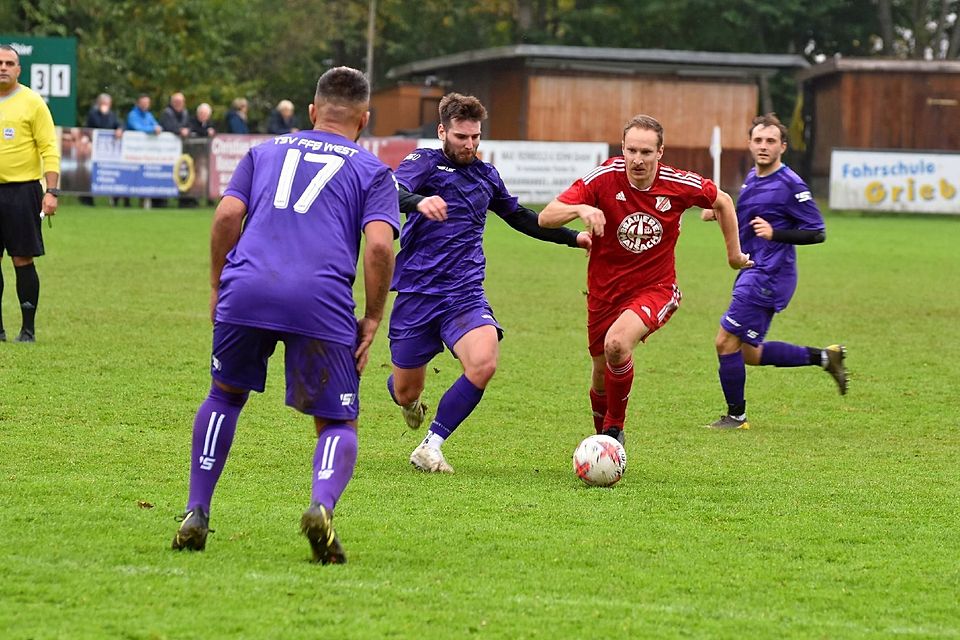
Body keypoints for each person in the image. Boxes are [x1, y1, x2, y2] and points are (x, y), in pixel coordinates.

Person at [171, 66, 399, 565]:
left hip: (246, 288)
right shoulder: (372, 170)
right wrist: (374, 316)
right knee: (338, 419)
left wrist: (216, 284)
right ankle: (320, 506)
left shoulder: (263, 151)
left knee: (224, 396)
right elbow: (380, 246)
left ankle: (196, 510)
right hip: (319, 298)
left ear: (313, 111)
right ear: (364, 119)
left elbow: (228, 216)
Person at [388, 92, 591, 474]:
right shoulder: (424, 163)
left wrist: (572, 237)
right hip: (417, 293)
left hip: (464, 292)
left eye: (475, 137)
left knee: (483, 364)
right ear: (442, 131)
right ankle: (407, 397)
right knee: (405, 391)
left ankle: (431, 446)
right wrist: (417, 202)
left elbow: (520, 217)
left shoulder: (485, 175)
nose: (469, 145)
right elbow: (391, 190)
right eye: (461, 137)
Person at [538, 114, 752, 444]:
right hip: (604, 291)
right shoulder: (603, 178)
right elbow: (545, 216)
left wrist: (734, 256)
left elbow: (723, 201)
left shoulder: (678, 184)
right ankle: (604, 447)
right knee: (599, 376)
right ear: (622, 149)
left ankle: (613, 430)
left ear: (660, 152)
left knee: (617, 344)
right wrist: (580, 210)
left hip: (656, 288)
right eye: (632, 151)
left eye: (646, 152)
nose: (638, 160)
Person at [699, 113, 847, 430]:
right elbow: (751, 219)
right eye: (758, 140)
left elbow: (817, 232)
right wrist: (721, 212)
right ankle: (826, 358)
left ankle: (736, 417)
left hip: (770, 274)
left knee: (725, 342)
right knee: (750, 353)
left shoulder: (791, 185)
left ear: (782, 146)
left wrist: (776, 233)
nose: (763, 146)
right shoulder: (753, 178)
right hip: (753, 268)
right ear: (750, 144)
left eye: (770, 141)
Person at [0, 44, 60, 343]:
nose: (3, 67)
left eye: (10, 63)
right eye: (0, 62)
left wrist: (52, 191)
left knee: (22, 259)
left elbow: (49, 148)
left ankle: (27, 329)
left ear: (18, 69)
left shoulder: (32, 103)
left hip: (22, 191)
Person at [81, 93, 122, 206]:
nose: (106, 106)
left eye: (108, 104)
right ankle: (87, 199)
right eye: (104, 104)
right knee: (90, 173)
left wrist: (119, 129)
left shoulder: (112, 115)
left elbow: (118, 124)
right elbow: (99, 125)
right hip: (93, 149)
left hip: (107, 151)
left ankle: (115, 199)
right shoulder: (93, 114)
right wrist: (104, 115)